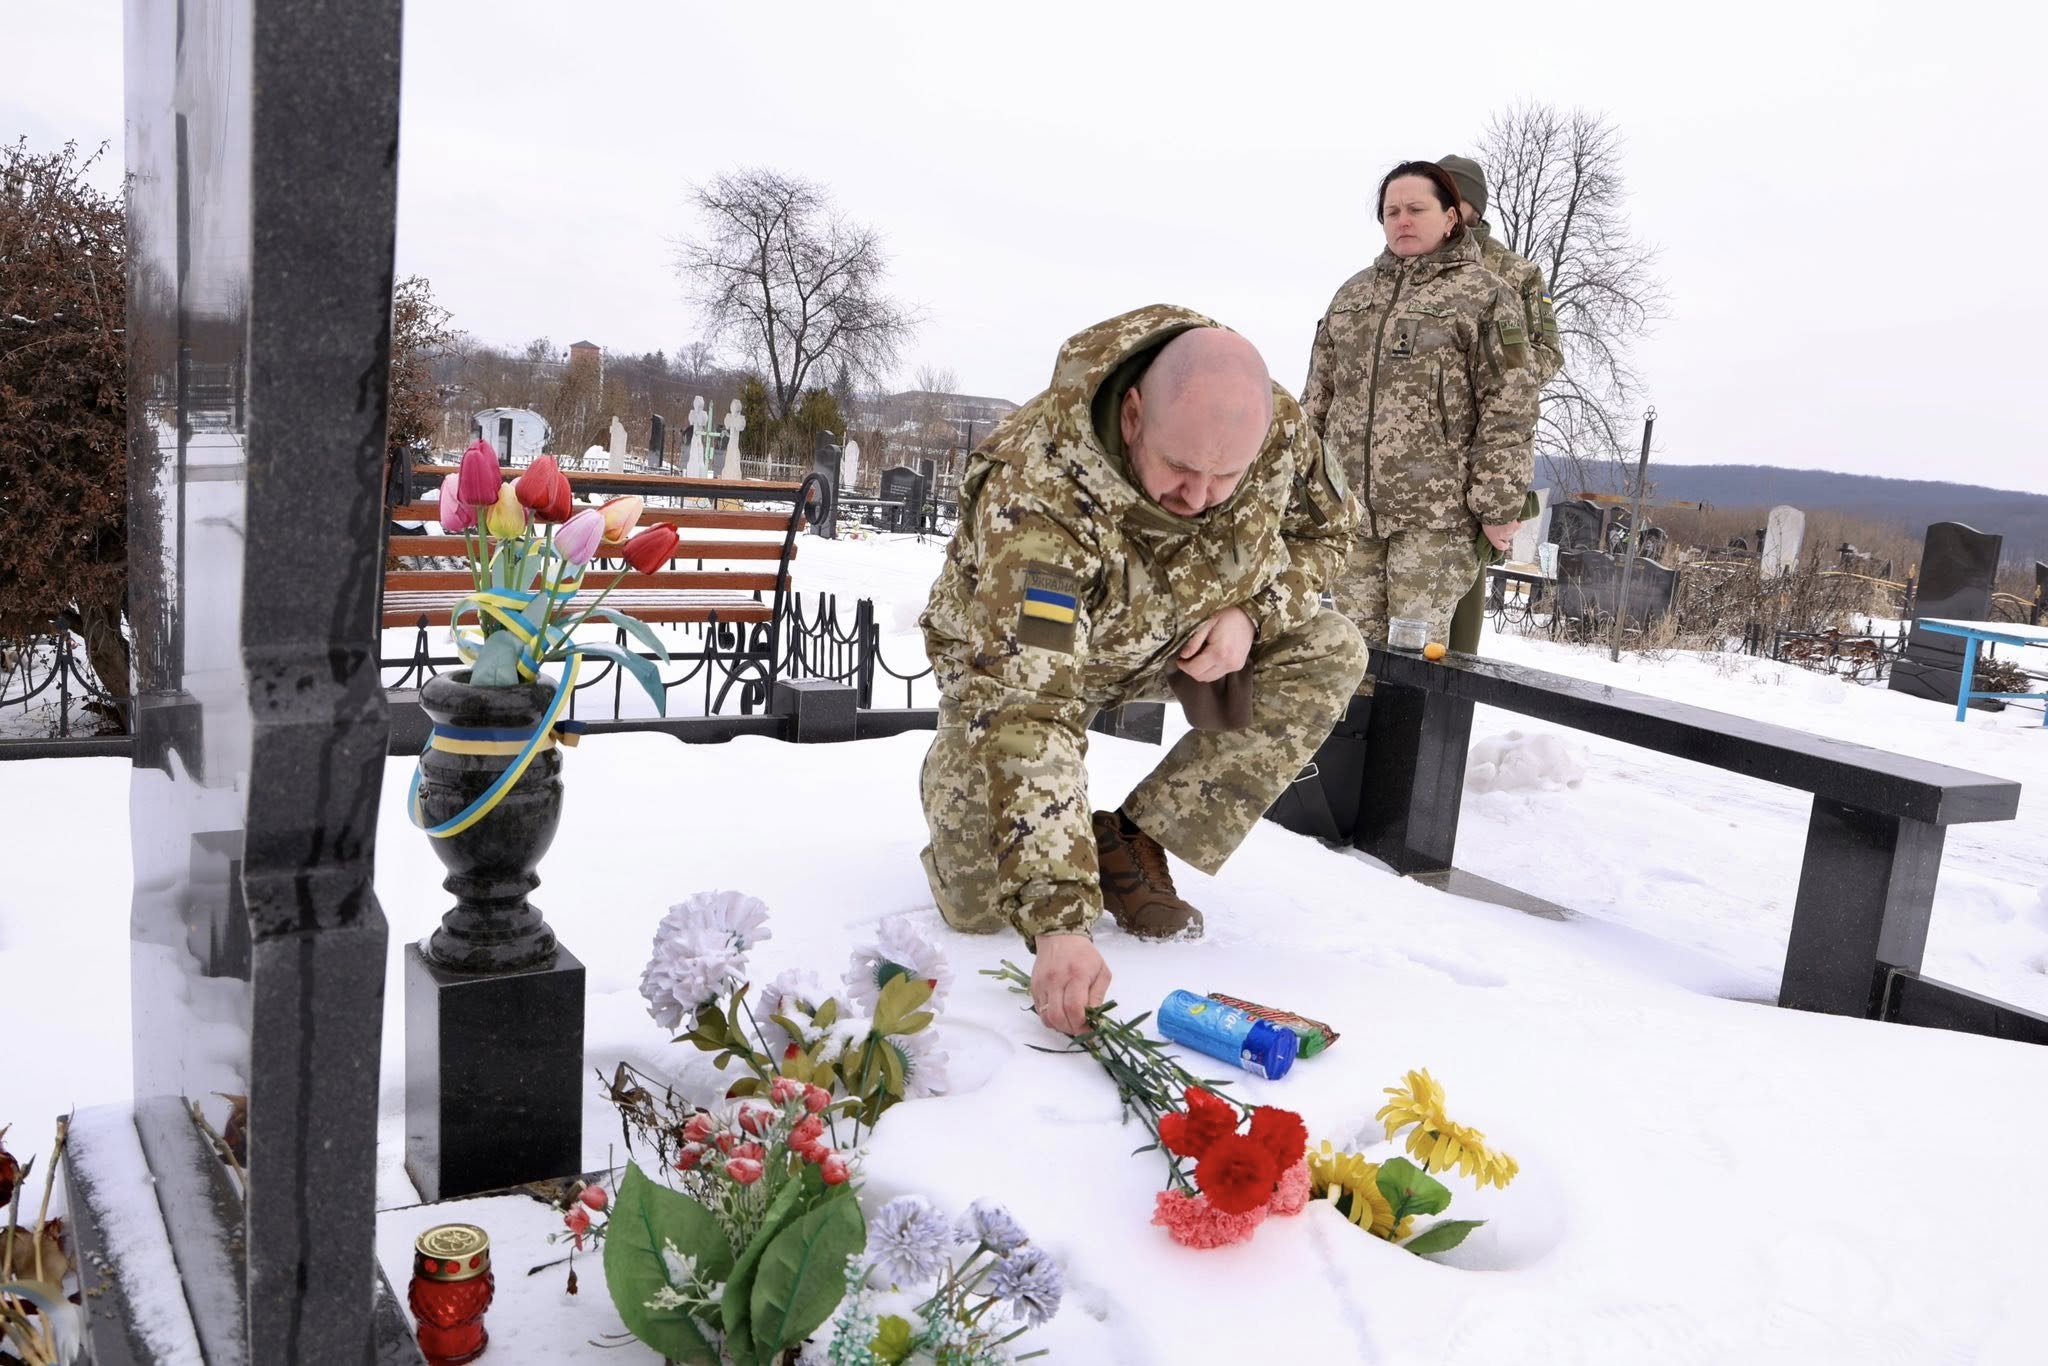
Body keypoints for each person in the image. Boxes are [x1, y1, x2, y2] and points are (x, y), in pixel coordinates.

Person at [918, 305, 1366, 1035]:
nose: (1199, 499)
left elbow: (1328, 531)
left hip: (1176, 633)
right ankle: (962, 776)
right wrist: (1062, 924)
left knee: (1331, 646)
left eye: (1227, 479)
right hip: (1022, 665)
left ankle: (1133, 836)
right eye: (1181, 470)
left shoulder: (1277, 425)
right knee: (979, 908)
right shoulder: (1038, 497)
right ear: (1132, 417)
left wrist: (1253, 615)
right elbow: (1033, 708)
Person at [1301, 159, 1540, 680]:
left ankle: (1402, 764)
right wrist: (1306, 488)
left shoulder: (1485, 296)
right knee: (1351, 661)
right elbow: (1316, 399)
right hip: (1354, 514)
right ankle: (1348, 763)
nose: (1402, 221)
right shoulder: (1353, 296)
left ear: (1452, 217)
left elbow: (1510, 405)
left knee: (1413, 665)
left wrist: (1498, 504)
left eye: (1416, 209)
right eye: (1391, 211)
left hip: (1436, 520)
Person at [1437, 153, 1562, 654]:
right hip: (1407, 464)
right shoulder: (1404, 265)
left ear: (1470, 206)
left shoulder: (1515, 273)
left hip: (1478, 454)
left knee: (1457, 622)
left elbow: (1548, 356)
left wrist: (1486, 373)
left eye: (1452, 196)